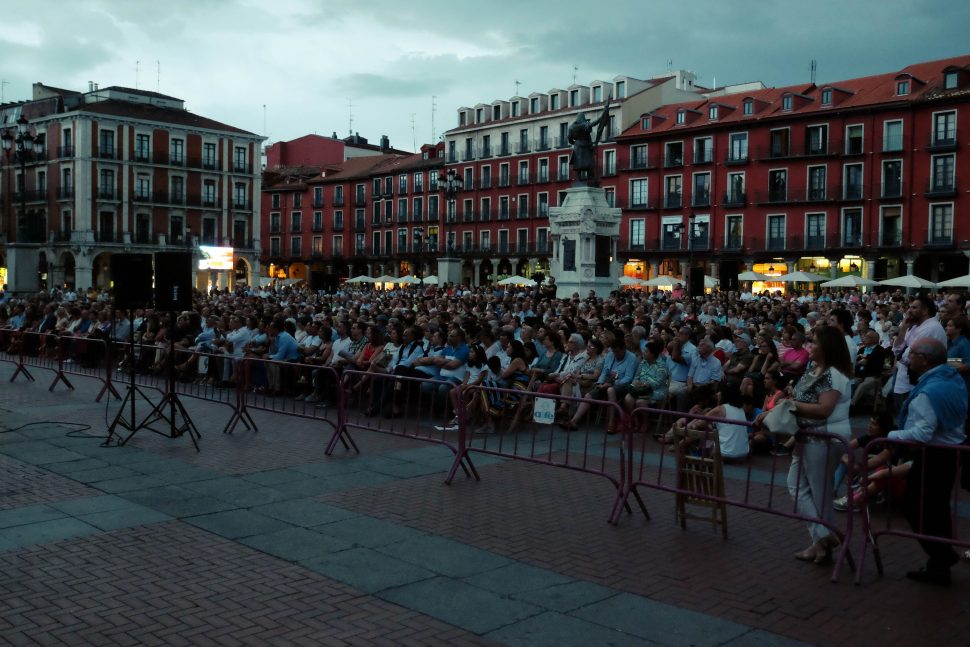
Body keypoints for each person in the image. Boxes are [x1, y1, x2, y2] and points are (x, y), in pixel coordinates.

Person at [888, 338, 967, 585]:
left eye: (911, 354)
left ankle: (941, 556)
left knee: (919, 507)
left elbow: (922, 433)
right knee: (936, 509)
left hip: (936, 454)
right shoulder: (950, 379)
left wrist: (890, 436)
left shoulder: (930, 391)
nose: (908, 359)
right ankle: (939, 564)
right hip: (947, 452)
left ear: (924, 358)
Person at [788, 325, 854, 566]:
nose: (809, 346)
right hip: (806, 435)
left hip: (824, 437)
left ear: (827, 346)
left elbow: (824, 409)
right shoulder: (813, 370)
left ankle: (821, 542)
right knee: (797, 486)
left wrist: (792, 406)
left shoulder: (834, 374)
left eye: (813, 342)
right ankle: (823, 538)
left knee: (819, 492)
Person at [892, 296, 947, 418]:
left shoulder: (931, 328)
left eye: (914, 307)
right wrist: (903, 328)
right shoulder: (916, 326)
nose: (909, 310)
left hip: (916, 382)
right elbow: (897, 349)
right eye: (910, 307)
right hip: (905, 379)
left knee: (912, 418)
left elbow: (907, 356)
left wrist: (901, 352)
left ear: (925, 311)